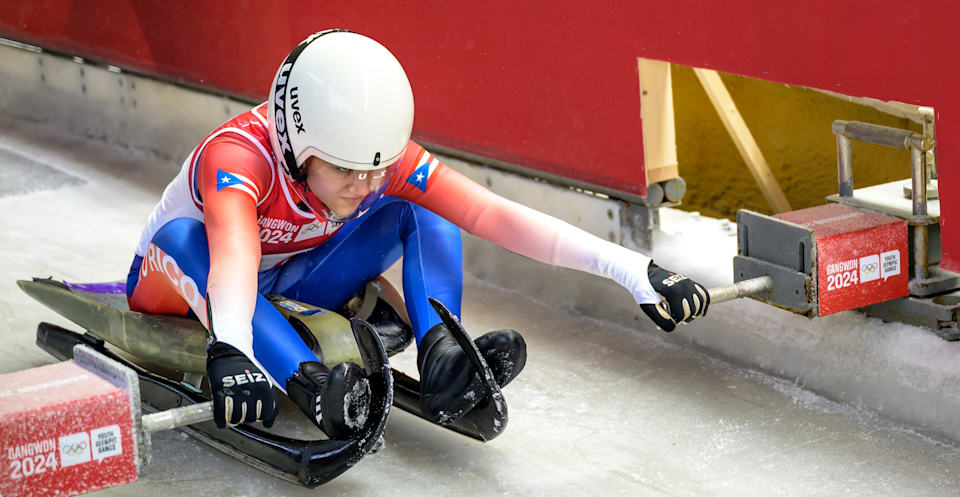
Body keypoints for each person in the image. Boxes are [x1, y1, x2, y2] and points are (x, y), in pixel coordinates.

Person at [126, 29, 709, 437]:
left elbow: (494, 215)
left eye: (375, 167)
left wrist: (631, 269)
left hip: (286, 276)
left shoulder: (379, 165)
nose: (364, 184)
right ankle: (309, 384)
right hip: (175, 285)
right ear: (295, 146)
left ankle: (443, 354)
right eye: (346, 170)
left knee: (424, 207)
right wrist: (231, 344)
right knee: (187, 236)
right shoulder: (237, 157)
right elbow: (230, 251)